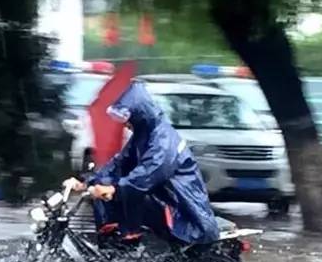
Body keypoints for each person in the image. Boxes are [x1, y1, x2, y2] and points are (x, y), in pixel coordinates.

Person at [65, 80, 220, 247]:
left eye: (127, 119)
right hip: (163, 200)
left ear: (139, 113)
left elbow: (148, 173)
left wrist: (113, 189)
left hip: (183, 211)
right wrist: (87, 182)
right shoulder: (142, 136)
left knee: (124, 193)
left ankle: (129, 247)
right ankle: (115, 250)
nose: (125, 124)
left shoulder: (163, 140)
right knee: (106, 192)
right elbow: (118, 164)